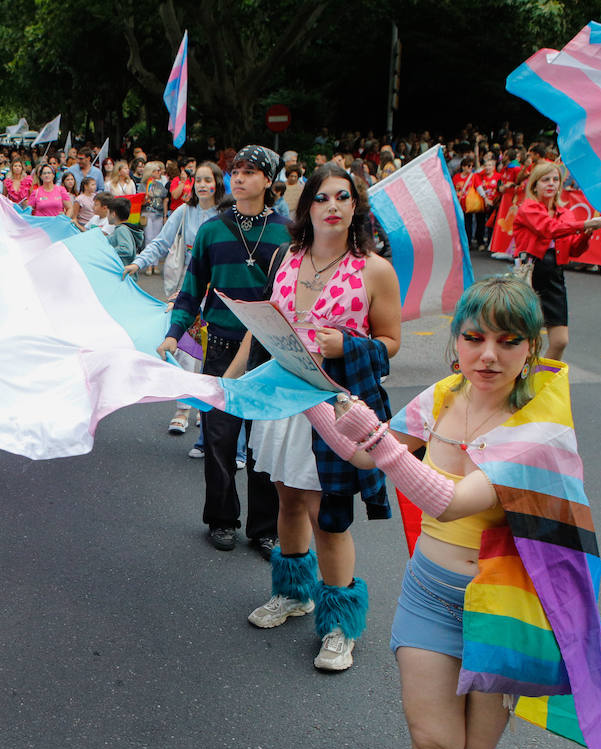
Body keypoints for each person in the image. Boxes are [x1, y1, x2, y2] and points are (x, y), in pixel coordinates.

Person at [301, 276, 601, 749]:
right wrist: (304, 393)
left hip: (498, 609)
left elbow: (446, 497)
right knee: (440, 742)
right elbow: (362, 457)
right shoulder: (443, 394)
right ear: (455, 342)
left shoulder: (538, 428)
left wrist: (381, 442)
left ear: (532, 348)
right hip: (428, 594)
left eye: (508, 341)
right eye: (474, 338)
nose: (488, 356)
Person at [246, 163, 402, 671]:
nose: (333, 205)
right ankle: (294, 593)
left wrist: (349, 344)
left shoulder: (375, 269)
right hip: (284, 402)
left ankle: (340, 626)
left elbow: (391, 345)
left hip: (336, 409)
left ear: (356, 207)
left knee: (327, 517)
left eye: (344, 196)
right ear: (307, 206)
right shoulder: (285, 257)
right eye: (322, 197)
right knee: (287, 500)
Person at [156, 145, 288, 557]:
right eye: (237, 171)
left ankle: (265, 528)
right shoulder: (212, 230)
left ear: (268, 180)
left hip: (270, 353)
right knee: (219, 437)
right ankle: (222, 519)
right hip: (220, 346)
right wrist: (175, 334)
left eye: (251, 171)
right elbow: (192, 287)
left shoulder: (289, 233)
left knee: (264, 440)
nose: (241, 177)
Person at [127, 162, 228, 435]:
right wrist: (138, 263)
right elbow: (161, 242)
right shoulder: (184, 212)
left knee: (212, 348)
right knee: (186, 347)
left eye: (209, 180)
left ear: (218, 183)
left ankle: (206, 403)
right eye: (199, 180)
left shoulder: (228, 214)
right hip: (188, 285)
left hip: (219, 288)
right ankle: (183, 409)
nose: (203, 185)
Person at [511, 161, 601, 360]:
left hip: (554, 275)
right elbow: (548, 229)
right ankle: (522, 381)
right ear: (535, 185)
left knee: (560, 341)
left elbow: (574, 249)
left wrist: (586, 233)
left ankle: (542, 381)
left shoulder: (566, 213)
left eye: (555, 179)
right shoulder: (528, 208)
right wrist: (586, 224)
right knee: (526, 341)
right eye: (545, 179)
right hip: (529, 275)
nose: (551, 184)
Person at [105, 197, 138, 266]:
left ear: (113, 214)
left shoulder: (121, 230)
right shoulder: (123, 228)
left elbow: (126, 249)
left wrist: (106, 250)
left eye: (107, 212)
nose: (107, 216)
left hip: (123, 271)